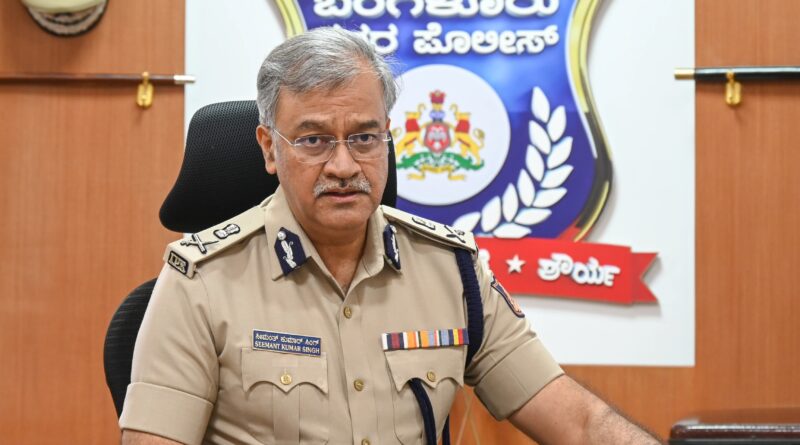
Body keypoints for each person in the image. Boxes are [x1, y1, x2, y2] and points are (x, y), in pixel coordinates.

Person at [119, 27, 661, 445]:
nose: (343, 165)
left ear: (387, 139)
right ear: (269, 148)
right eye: (313, 140)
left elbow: (579, 422)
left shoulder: (452, 269)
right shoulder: (200, 281)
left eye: (364, 137)